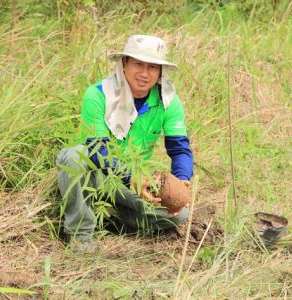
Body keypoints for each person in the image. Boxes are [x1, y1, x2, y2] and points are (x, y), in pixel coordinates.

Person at [56, 35, 194, 252]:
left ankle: (110, 219)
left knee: (178, 215)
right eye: (138, 64)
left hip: (133, 181)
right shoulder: (98, 94)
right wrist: (132, 177)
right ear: (124, 64)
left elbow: (179, 149)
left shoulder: (169, 102)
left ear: (160, 72)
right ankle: (80, 235)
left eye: (152, 67)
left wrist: (182, 180)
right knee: (73, 157)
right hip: (98, 174)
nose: (144, 73)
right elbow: (95, 149)